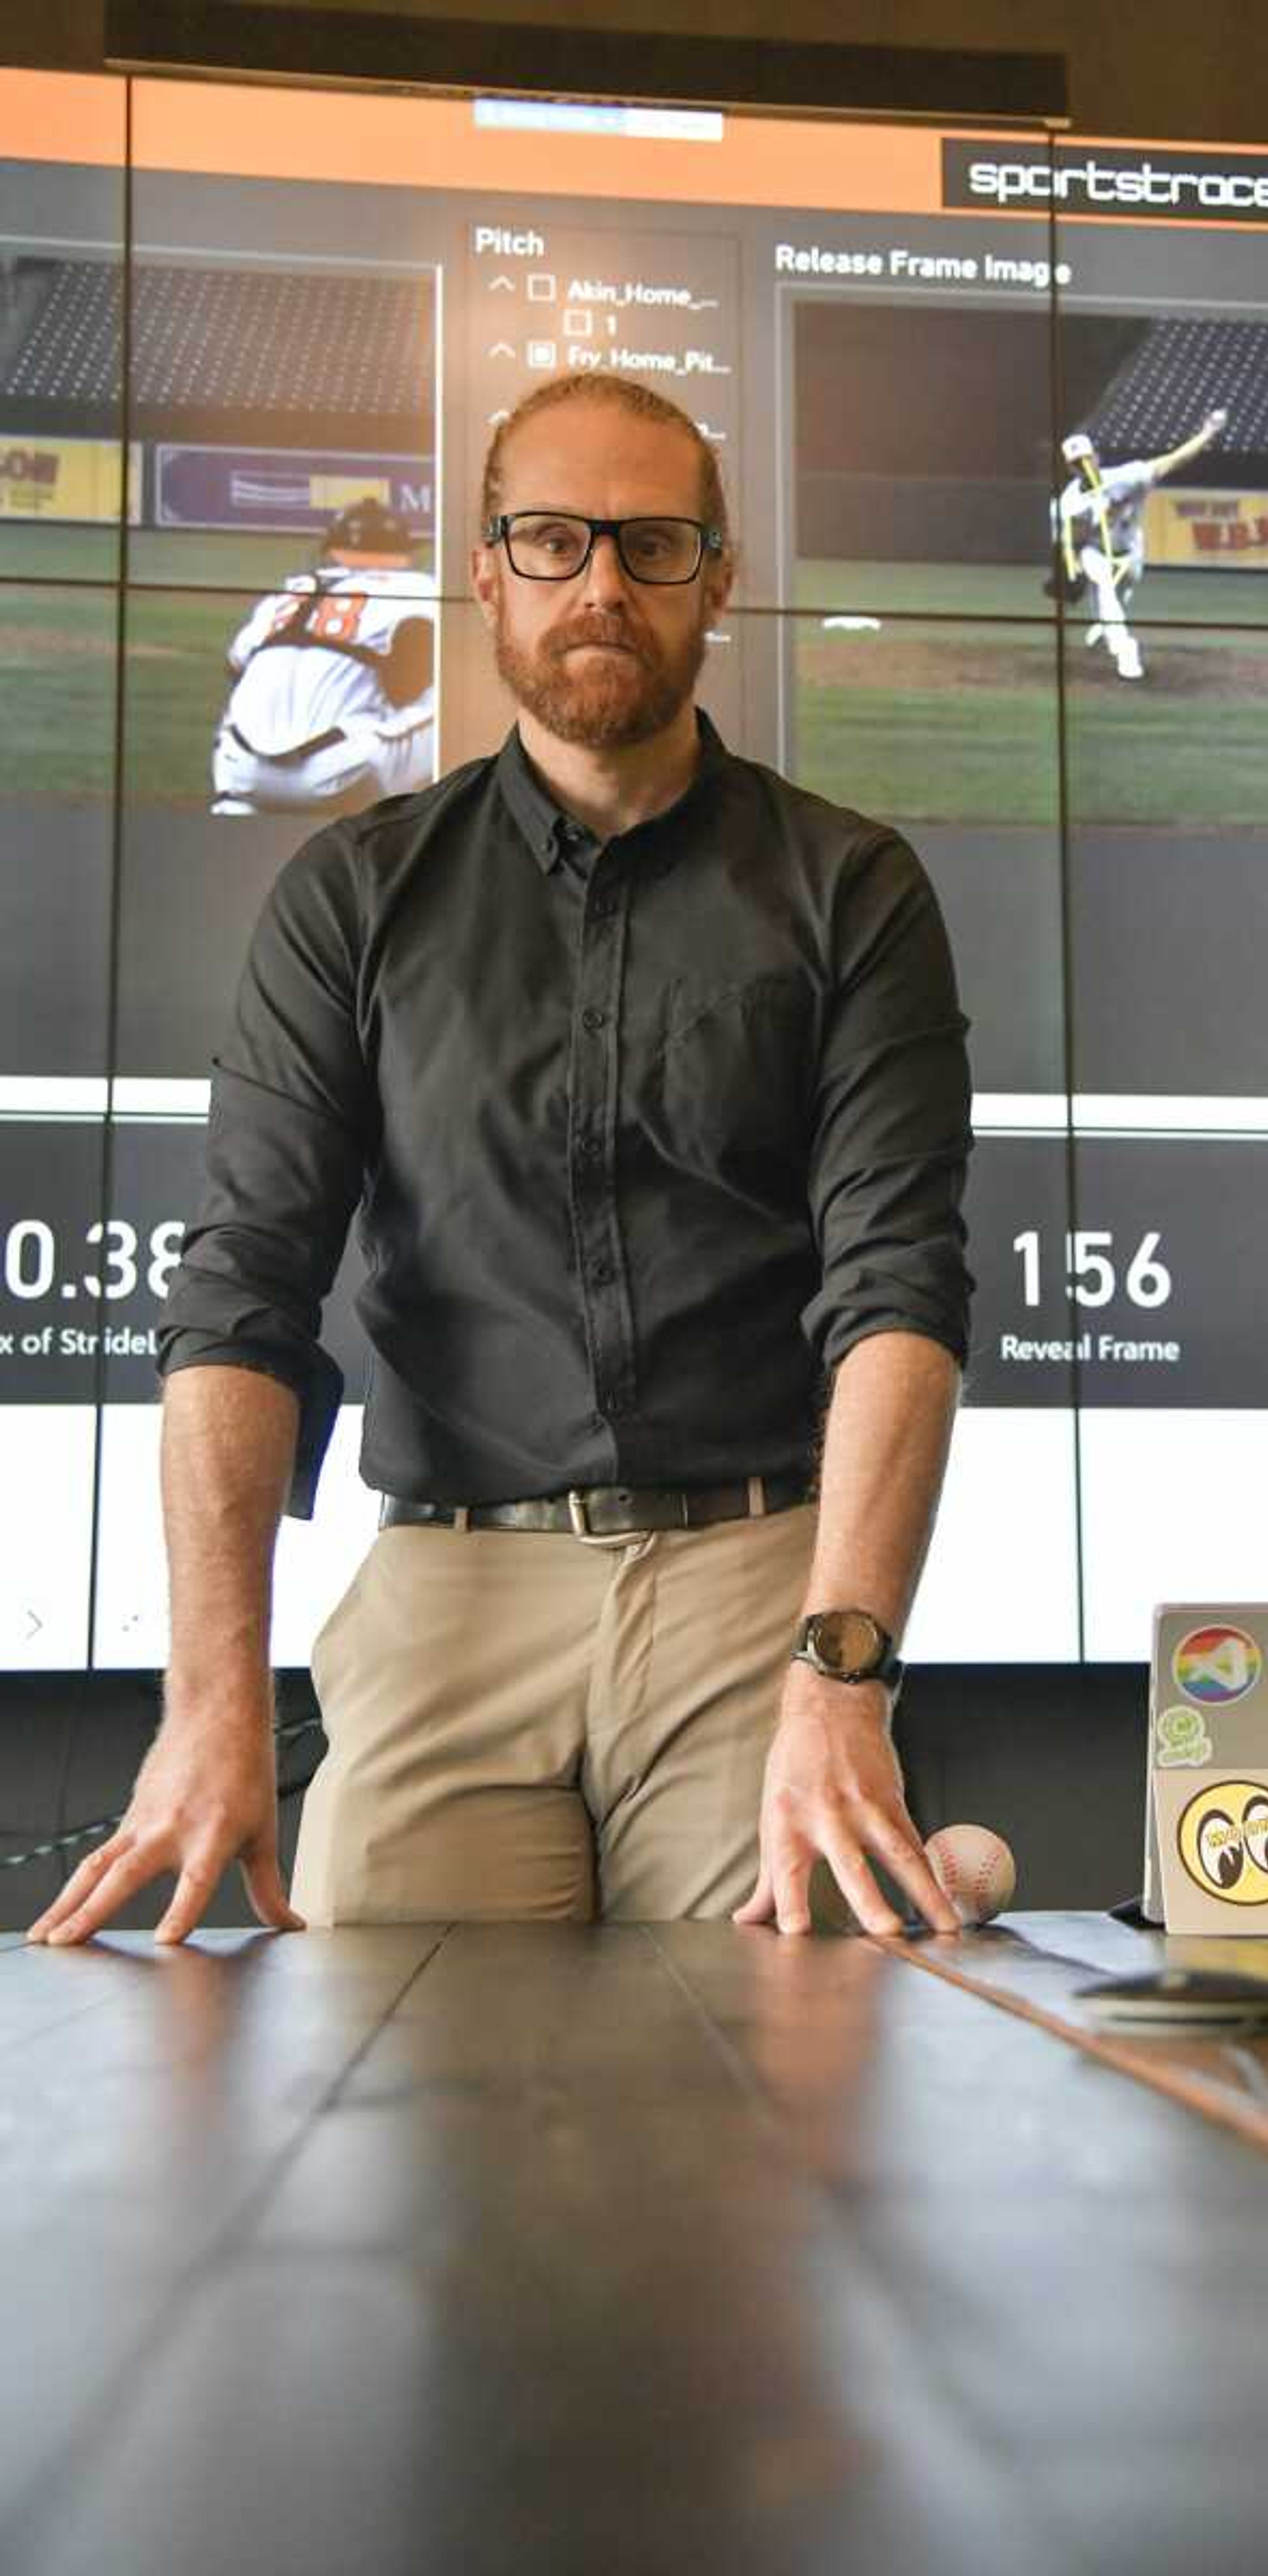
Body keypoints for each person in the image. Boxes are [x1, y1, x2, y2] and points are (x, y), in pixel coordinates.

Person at [30, 373, 970, 1948]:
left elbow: (898, 1294)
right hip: (447, 1590)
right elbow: (240, 1300)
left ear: (719, 579)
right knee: (385, 2097)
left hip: (756, 1583)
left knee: (783, 2064)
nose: (602, 583)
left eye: (653, 544)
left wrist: (842, 1671)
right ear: (488, 571)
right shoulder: (353, 895)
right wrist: (212, 1708)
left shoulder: (849, 888)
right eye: (553, 539)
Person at [209, 497, 437, 816]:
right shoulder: (419, 588)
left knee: (241, 697)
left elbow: (235, 665)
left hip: (245, 772)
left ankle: (233, 803)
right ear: (404, 553)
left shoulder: (293, 591)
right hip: (342, 774)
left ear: (332, 550)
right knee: (455, 694)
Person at [1049, 408, 1228, 681]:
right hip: (1095, 551)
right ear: (1070, 468)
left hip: (1131, 553)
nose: (1084, 465)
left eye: (1087, 458)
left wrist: (1207, 434)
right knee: (1102, 584)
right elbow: (1068, 542)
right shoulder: (1069, 503)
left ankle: (1105, 628)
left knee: (1115, 602)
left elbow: (1174, 461)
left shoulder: (1126, 476)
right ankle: (1125, 651)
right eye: (1077, 463)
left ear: (1097, 457)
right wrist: (1072, 571)